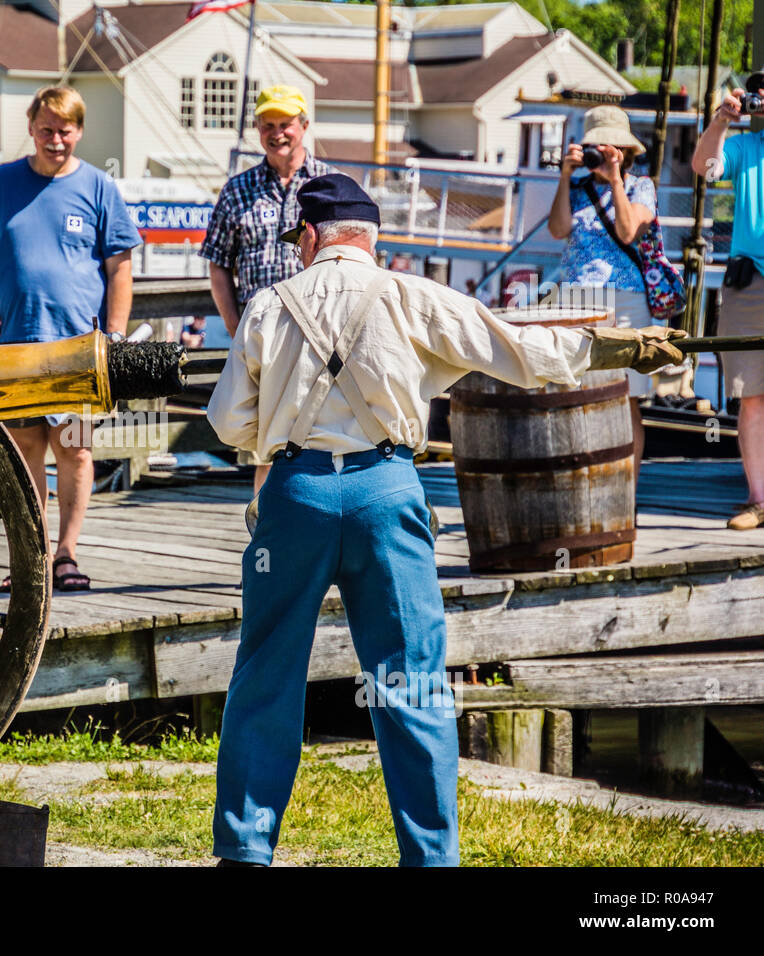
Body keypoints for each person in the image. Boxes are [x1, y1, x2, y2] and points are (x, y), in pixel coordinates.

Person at [206, 173, 685, 866]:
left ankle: (245, 851)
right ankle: (431, 858)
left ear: (310, 235)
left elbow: (227, 424)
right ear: (371, 237)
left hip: (295, 499)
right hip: (386, 492)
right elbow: (520, 352)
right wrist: (613, 347)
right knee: (413, 681)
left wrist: (277, 439)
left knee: (265, 676)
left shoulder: (267, 305)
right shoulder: (409, 295)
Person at [0, 85, 141, 592]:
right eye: (47, 129)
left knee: (75, 449)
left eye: (66, 130)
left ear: (79, 131)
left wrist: (116, 335)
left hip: (79, 347)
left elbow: (120, 266)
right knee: (25, 448)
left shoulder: (99, 187)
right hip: (15, 345)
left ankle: (67, 554)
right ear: (32, 128)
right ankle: (30, 555)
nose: (56, 140)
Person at [199, 85, 334, 496]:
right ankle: (268, 529)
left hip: (321, 332)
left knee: (323, 432)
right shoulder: (237, 190)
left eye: (286, 125)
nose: (278, 134)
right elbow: (218, 262)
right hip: (264, 335)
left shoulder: (330, 184)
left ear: (304, 126)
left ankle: (318, 519)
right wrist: (235, 325)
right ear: (258, 129)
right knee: (269, 441)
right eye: (268, 126)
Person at [548, 104, 675, 473]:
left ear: (625, 152)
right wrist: (565, 175)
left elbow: (626, 232)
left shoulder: (641, 187)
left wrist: (616, 179)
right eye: (595, 148)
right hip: (577, 298)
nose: (600, 155)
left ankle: (627, 489)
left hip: (626, 300)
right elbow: (557, 230)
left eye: (608, 149)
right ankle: (586, 478)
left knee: (625, 398)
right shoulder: (576, 186)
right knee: (579, 395)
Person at [692, 78, 764, 529]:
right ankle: (759, 500)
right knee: (752, 397)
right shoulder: (744, 145)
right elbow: (705, 166)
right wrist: (721, 119)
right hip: (750, 280)